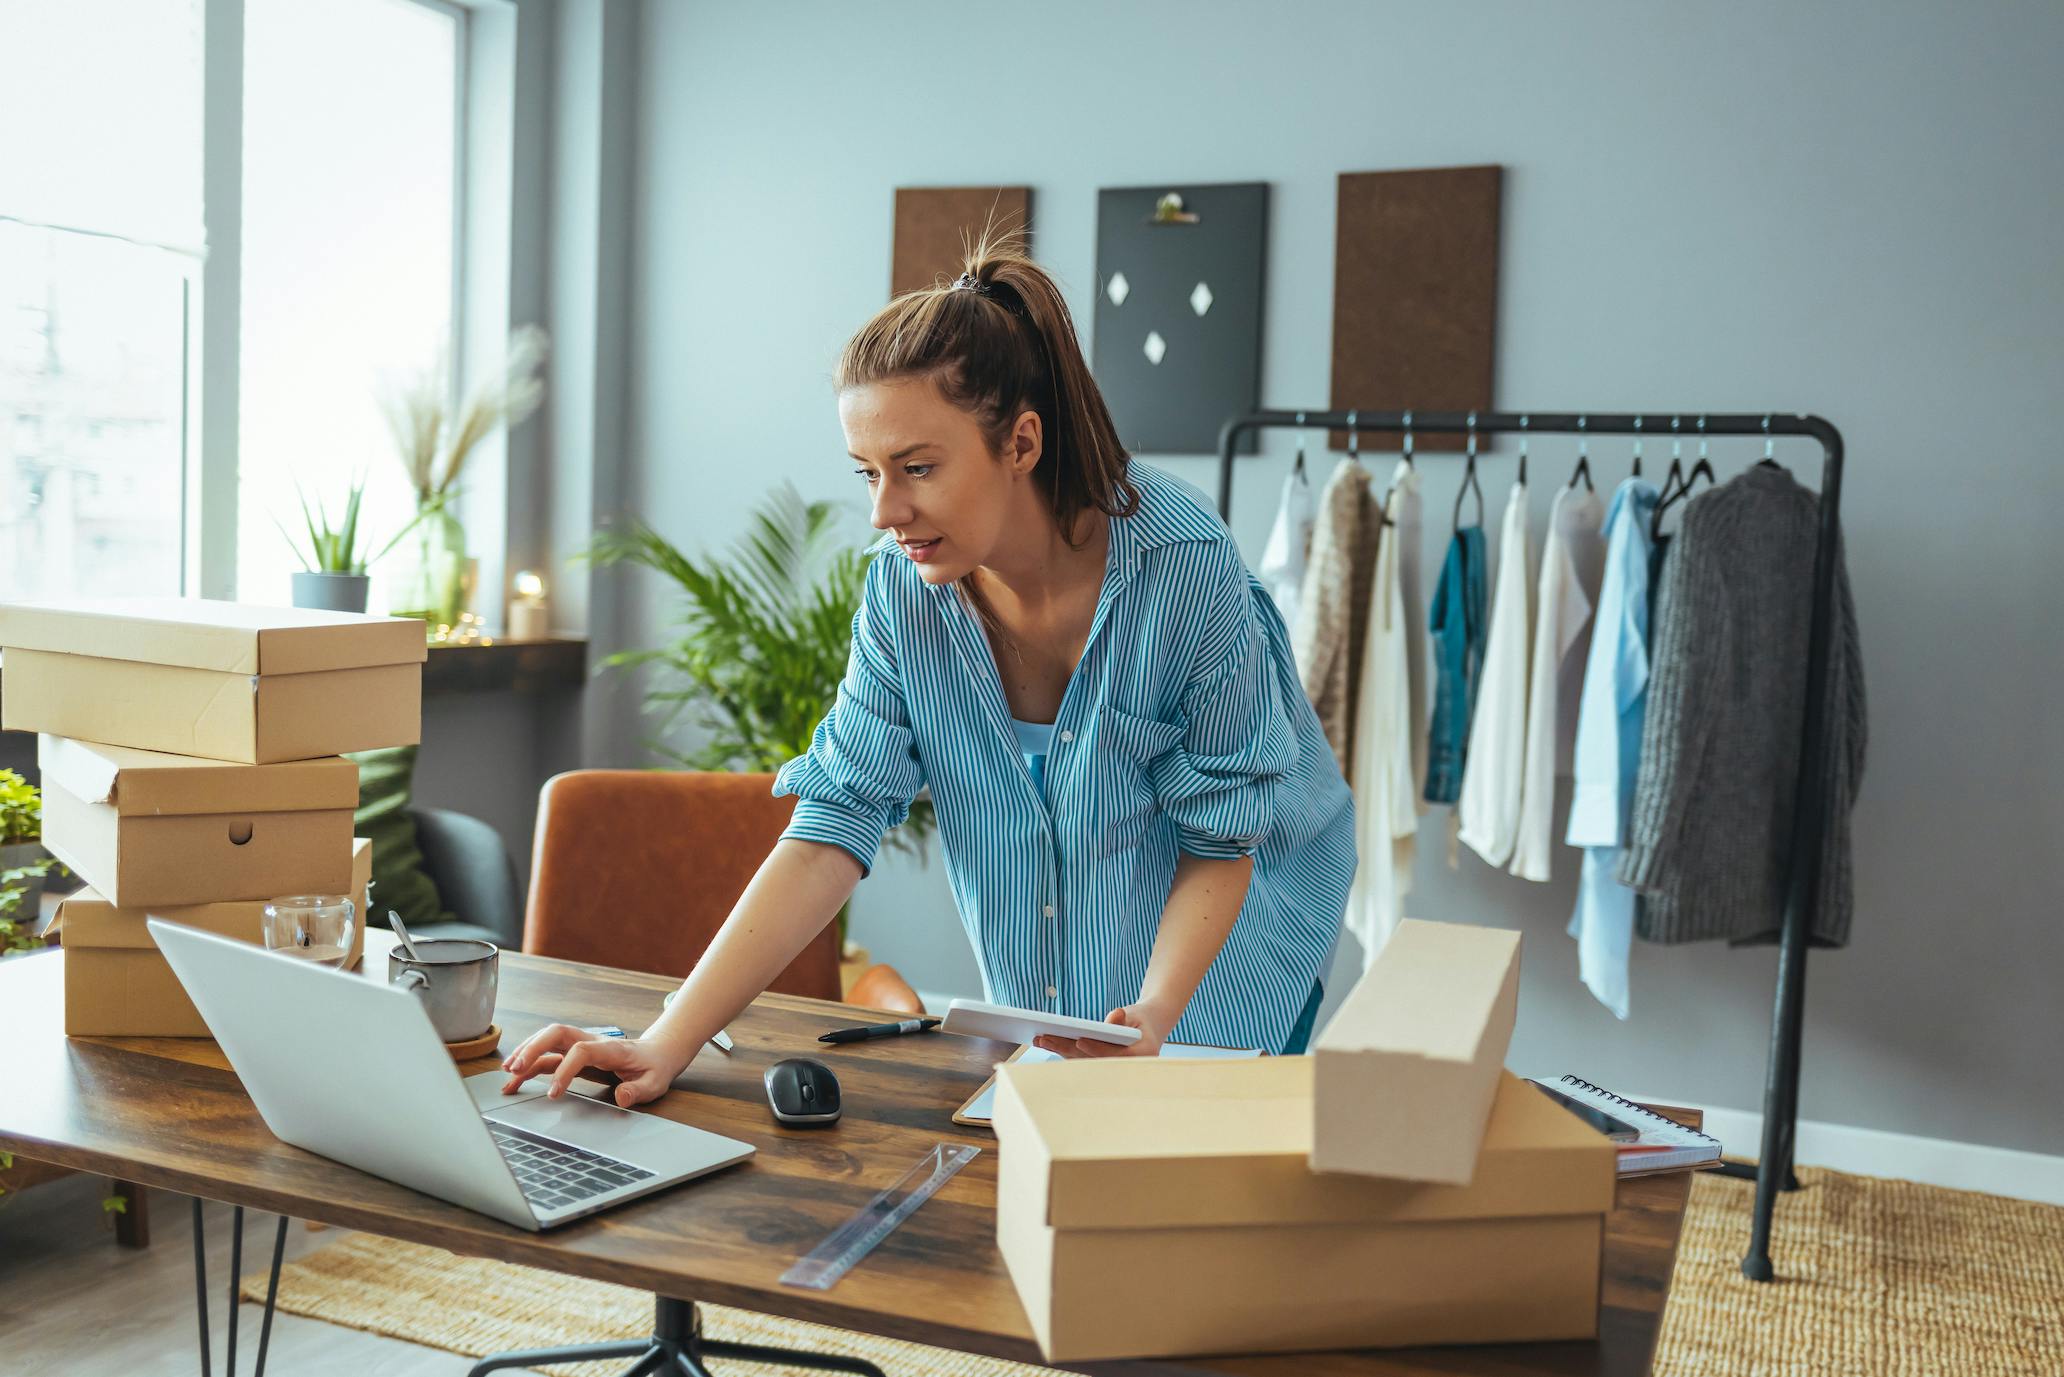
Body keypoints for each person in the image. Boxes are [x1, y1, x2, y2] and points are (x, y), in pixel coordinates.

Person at [504, 234, 1355, 1108]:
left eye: (917, 468)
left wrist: (1157, 1013)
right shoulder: (904, 597)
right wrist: (662, 1040)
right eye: (868, 472)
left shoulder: (1182, 566)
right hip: (1062, 1003)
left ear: (1020, 442)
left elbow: (1222, 837)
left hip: (1233, 958)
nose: (885, 510)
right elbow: (835, 822)